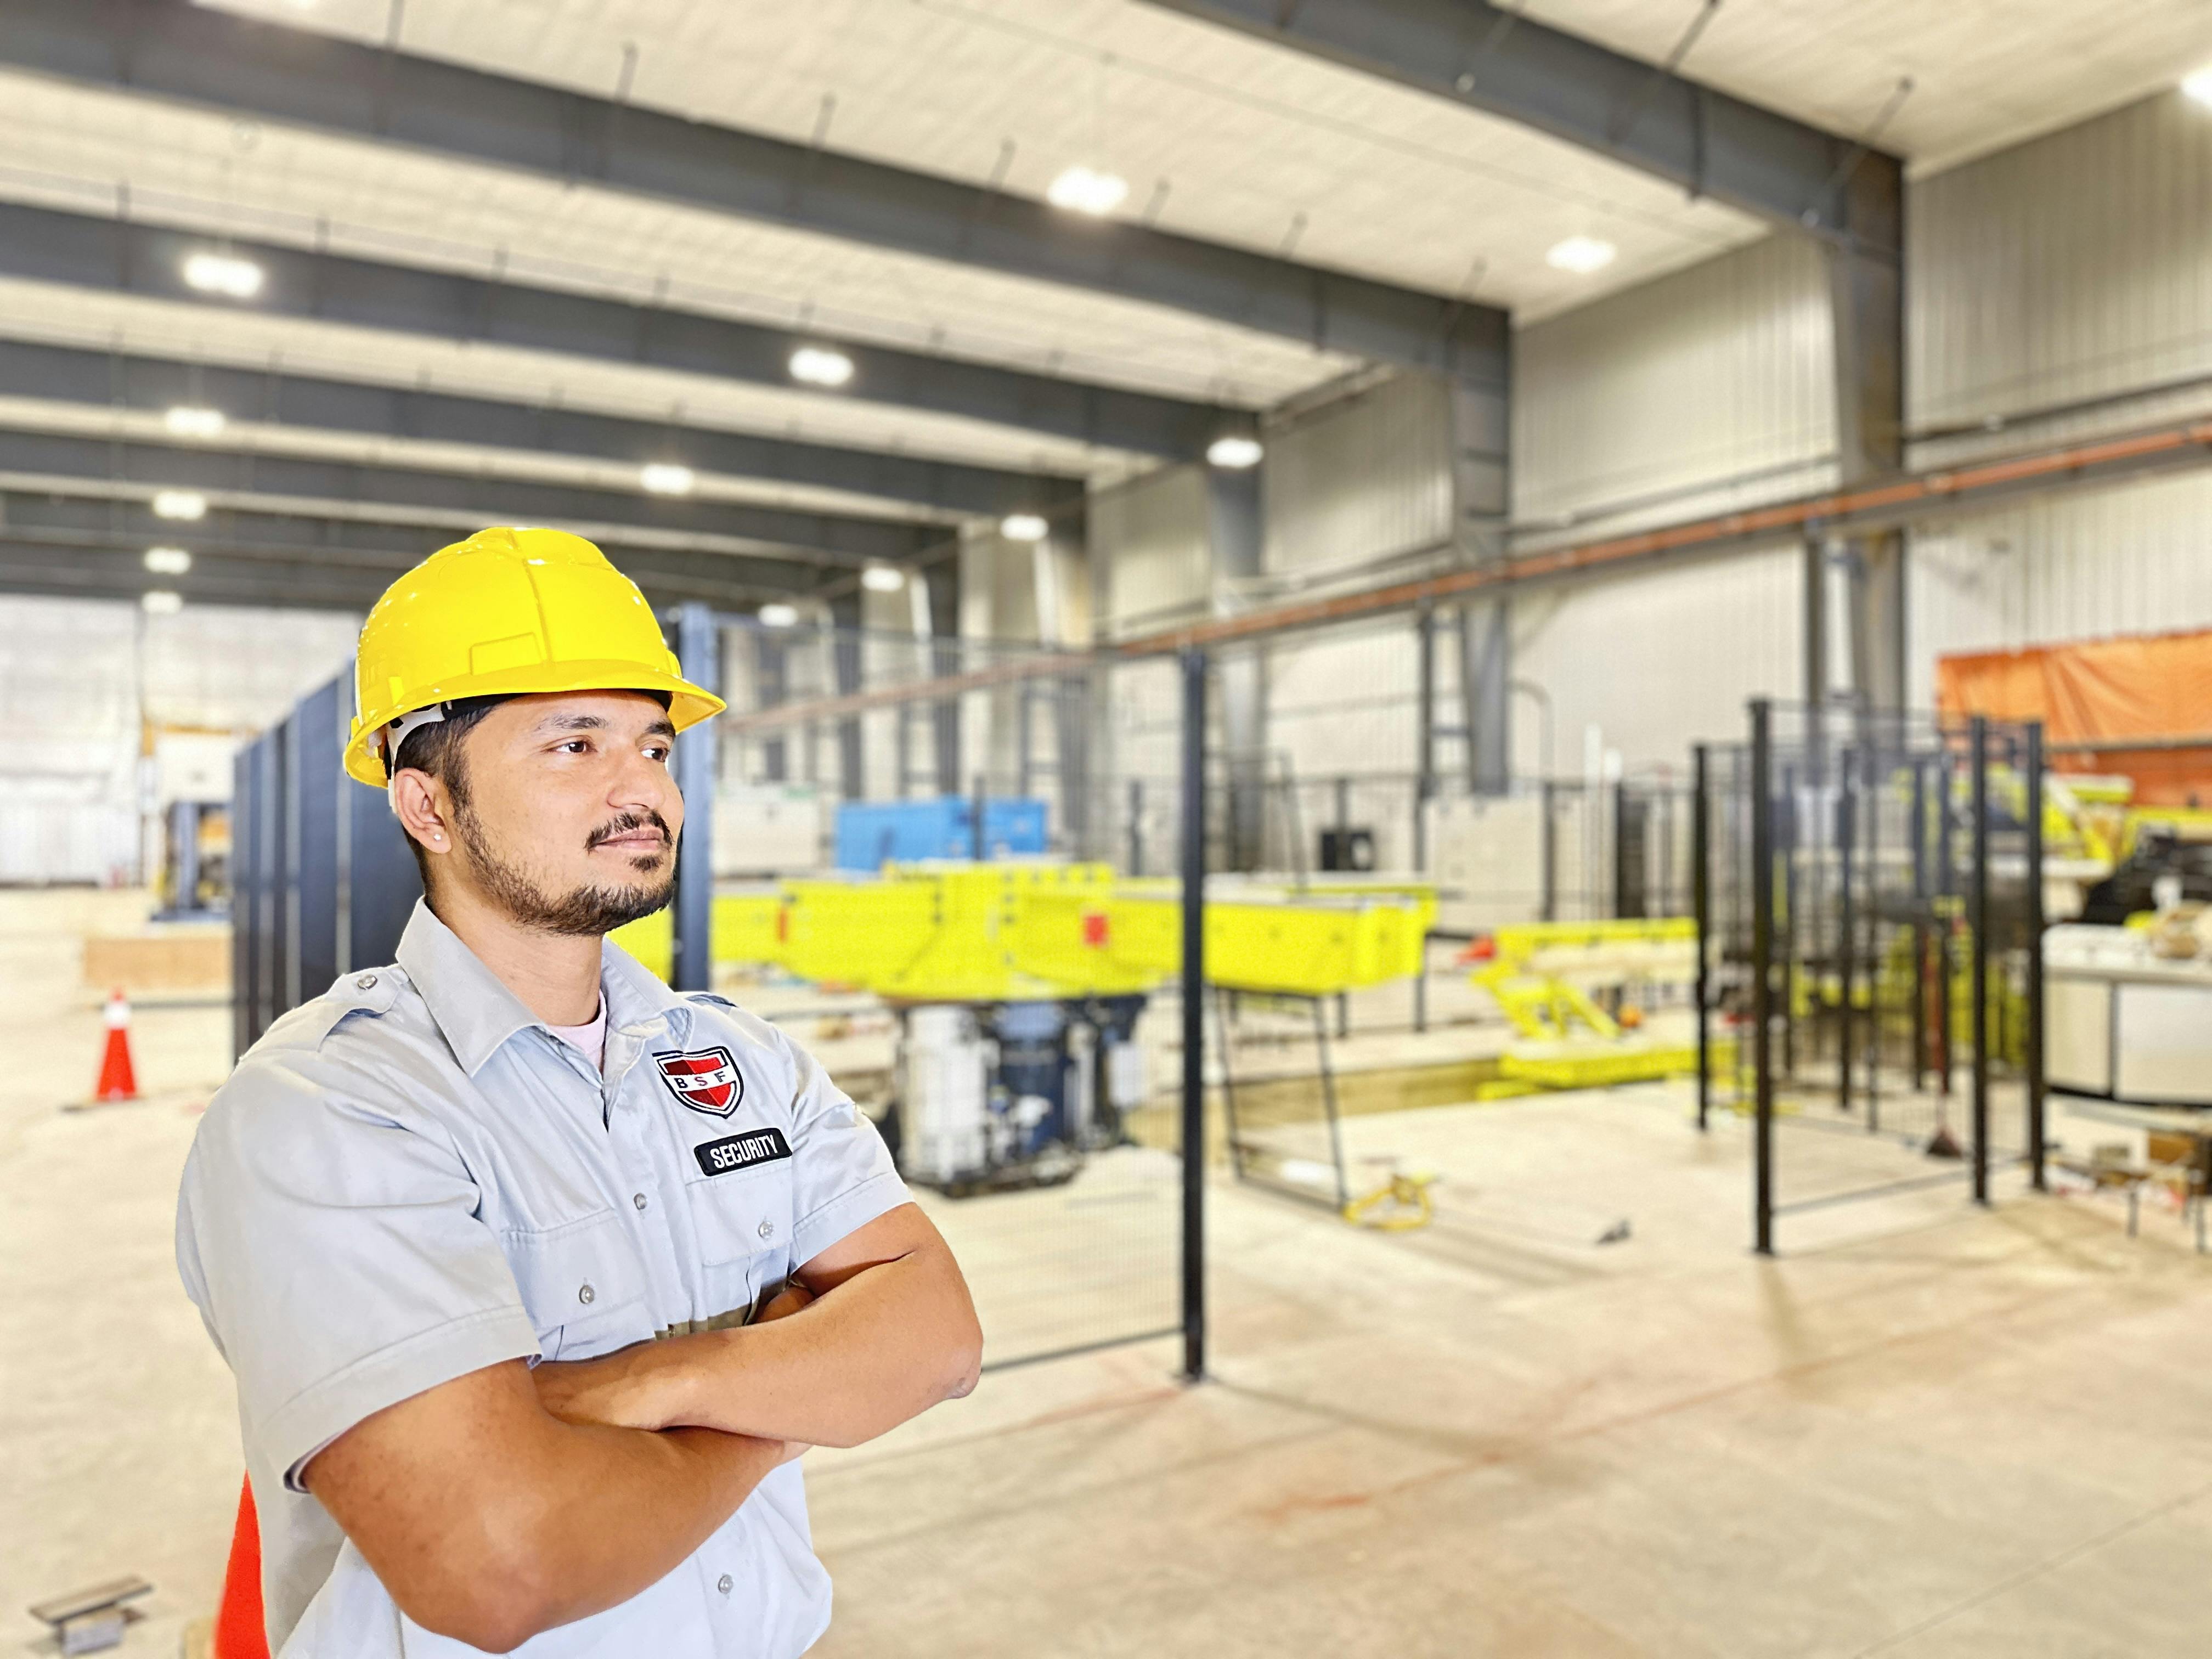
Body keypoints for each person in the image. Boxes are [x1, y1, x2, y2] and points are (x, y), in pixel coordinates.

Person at [177, 526, 983, 1656]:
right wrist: (784, 1395)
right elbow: (501, 1566)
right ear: (428, 808)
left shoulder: (740, 1062)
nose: (639, 786)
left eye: (653, 746)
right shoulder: (327, 1108)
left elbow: (939, 1337)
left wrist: (652, 1381)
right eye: (574, 744)